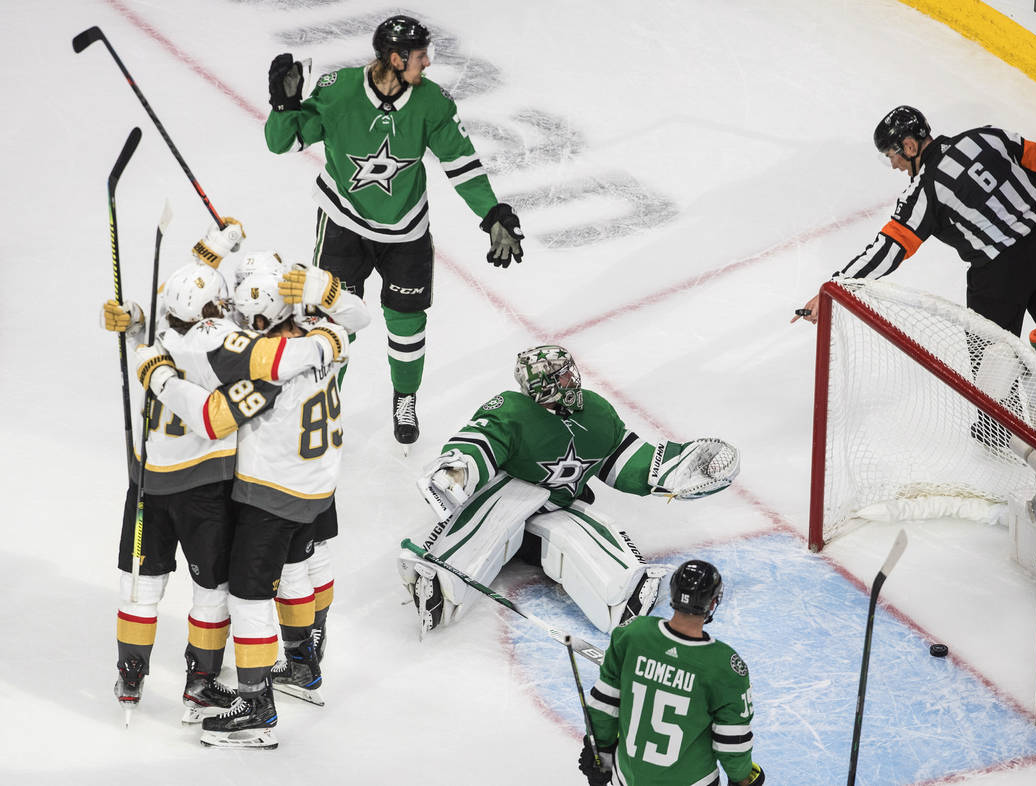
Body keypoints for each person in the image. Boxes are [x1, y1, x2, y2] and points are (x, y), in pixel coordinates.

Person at [796, 105, 1036, 481]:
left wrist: (835, 286)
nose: (896, 166)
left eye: (894, 156)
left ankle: (998, 428)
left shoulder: (925, 188)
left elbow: (891, 247)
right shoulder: (987, 137)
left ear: (911, 144)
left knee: (991, 356)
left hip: (999, 276)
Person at [102, 241, 343, 726]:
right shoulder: (247, 346)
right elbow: (216, 413)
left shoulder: (169, 338)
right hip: (217, 490)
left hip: (147, 482)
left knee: (140, 586)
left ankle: (131, 675)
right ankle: (208, 681)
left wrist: (140, 339)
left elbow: (180, 334)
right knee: (221, 589)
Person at [264, 14, 525, 450]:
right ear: (395, 57)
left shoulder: (433, 103)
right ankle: (325, 404)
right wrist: (283, 106)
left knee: (407, 323)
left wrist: (493, 214)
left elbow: (461, 165)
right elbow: (282, 143)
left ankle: (405, 399)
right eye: (420, 55)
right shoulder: (339, 91)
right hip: (343, 222)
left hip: (406, 229)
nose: (427, 63)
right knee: (333, 320)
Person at [398, 345, 741, 635]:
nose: (571, 378)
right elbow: (481, 442)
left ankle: (622, 593)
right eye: (562, 375)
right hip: (509, 498)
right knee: (492, 514)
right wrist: (459, 469)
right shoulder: (511, 410)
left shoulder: (595, 410)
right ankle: (440, 584)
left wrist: (676, 470)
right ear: (544, 386)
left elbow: (623, 459)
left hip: (556, 509)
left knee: (587, 532)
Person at [191, 266, 362, 749]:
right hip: (318, 487)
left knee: (248, 595)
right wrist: (323, 290)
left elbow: (210, 397)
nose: (243, 326)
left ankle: (256, 707)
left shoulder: (267, 364)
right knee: (296, 569)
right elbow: (356, 315)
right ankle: (304, 664)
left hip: (273, 496)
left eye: (249, 319)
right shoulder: (326, 333)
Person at [579, 560, 764, 786]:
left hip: (626, 778)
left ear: (672, 593)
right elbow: (732, 741)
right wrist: (742, 778)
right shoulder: (724, 666)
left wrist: (599, 751)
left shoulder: (631, 635)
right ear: (713, 602)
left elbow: (604, 704)